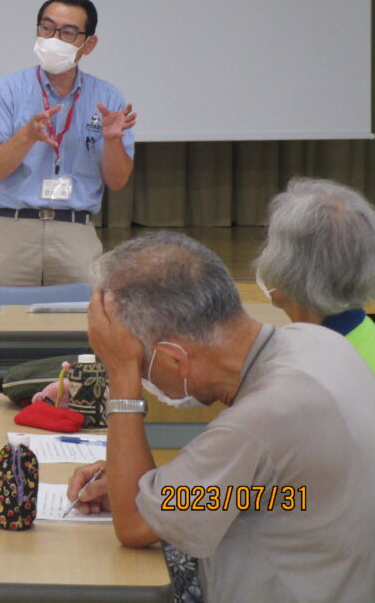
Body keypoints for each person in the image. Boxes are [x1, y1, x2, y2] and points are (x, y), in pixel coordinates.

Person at [67, 232, 375, 603]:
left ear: (174, 358)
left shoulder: (258, 422)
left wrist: (122, 377)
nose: (145, 379)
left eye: (142, 367)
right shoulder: (317, 341)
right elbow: (272, 490)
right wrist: (150, 484)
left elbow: (134, 524)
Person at [0, 0, 137, 287]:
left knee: (80, 325)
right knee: (2, 326)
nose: (53, 38)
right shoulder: (6, 91)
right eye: (46, 28)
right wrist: (26, 136)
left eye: (68, 32)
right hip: (13, 228)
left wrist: (113, 141)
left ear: (89, 44)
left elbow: (117, 181)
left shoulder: (107, 97)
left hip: (75, 230)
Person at [255, 177, 375, 372]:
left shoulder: (308, 372)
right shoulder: (365, 335)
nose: (264, 256)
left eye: (272, 245)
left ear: (290, 271)